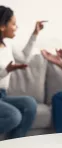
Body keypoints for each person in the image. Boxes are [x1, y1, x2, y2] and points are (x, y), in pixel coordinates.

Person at [0, 5, 45, 139]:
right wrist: (6, 70)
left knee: (29, 103)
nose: (16, 27)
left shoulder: (8, 44)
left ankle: (14, 143)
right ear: (2, 26)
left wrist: (35, 33)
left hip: (2, 95)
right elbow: (4, 71)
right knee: (14, 116)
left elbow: (24, 57)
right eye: (13, 24)